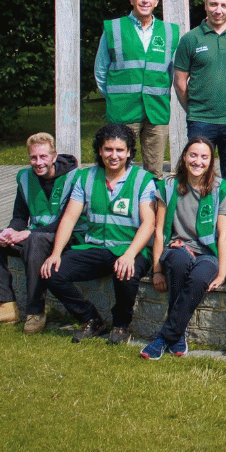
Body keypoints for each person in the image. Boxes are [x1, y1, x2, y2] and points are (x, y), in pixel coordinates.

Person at [40, 124, 157, 344]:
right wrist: (56, 253)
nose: (114, 156)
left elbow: (149, 223)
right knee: (53, 272)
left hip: (130, 247)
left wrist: (130, 255)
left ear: (129, 152)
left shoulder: (143, 180)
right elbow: (68, 219)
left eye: (120, 150)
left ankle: (121, 326)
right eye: (108, 150)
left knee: (126, 273)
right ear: (100, 151)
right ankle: (91, 319)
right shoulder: (85, 178)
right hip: (94, 247)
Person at [0, 133, 79, 333]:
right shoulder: (25, 178)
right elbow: (20, 215)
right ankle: (4, 306)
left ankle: (36, 311)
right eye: (33, 158)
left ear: (54, 156)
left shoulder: (75, 178)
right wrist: (11, 230)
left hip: (66, 237)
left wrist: (27, 234)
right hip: (36, 235)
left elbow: (67, 221)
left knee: (35, 240)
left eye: (43, 157)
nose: (38, 162)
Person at [142, 137, 226, 360]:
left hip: (208, 252)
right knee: (178, 262)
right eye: (193, 155)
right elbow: (160, 230)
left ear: (211, 161)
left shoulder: (222, 189)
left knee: (199, 277)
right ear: (184, 157)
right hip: (178, 246)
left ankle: (166, 336)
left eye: (204, 157)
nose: (198, 161)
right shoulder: (169, 186)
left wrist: (222, 273)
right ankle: (176, 334)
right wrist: (156, 270)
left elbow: (223, 236)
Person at [94, 0, 180, 178]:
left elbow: (173, 72)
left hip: (156, 110)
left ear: (157, 1)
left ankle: (151, 208)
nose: (145, 0)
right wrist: (114, 98)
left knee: (154, 171)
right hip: (122, 109)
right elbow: (100, 71)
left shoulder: (170, 31)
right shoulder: (113, 29)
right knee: (118, 167)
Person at [174, 0, 226, 196]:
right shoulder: (190, 39)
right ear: (206, 6)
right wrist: (193, 108)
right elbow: (180, 82)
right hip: (201, 120)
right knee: (197, 173)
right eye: (214, 4)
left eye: (224, 5)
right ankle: (198, 222)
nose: (218, 10)